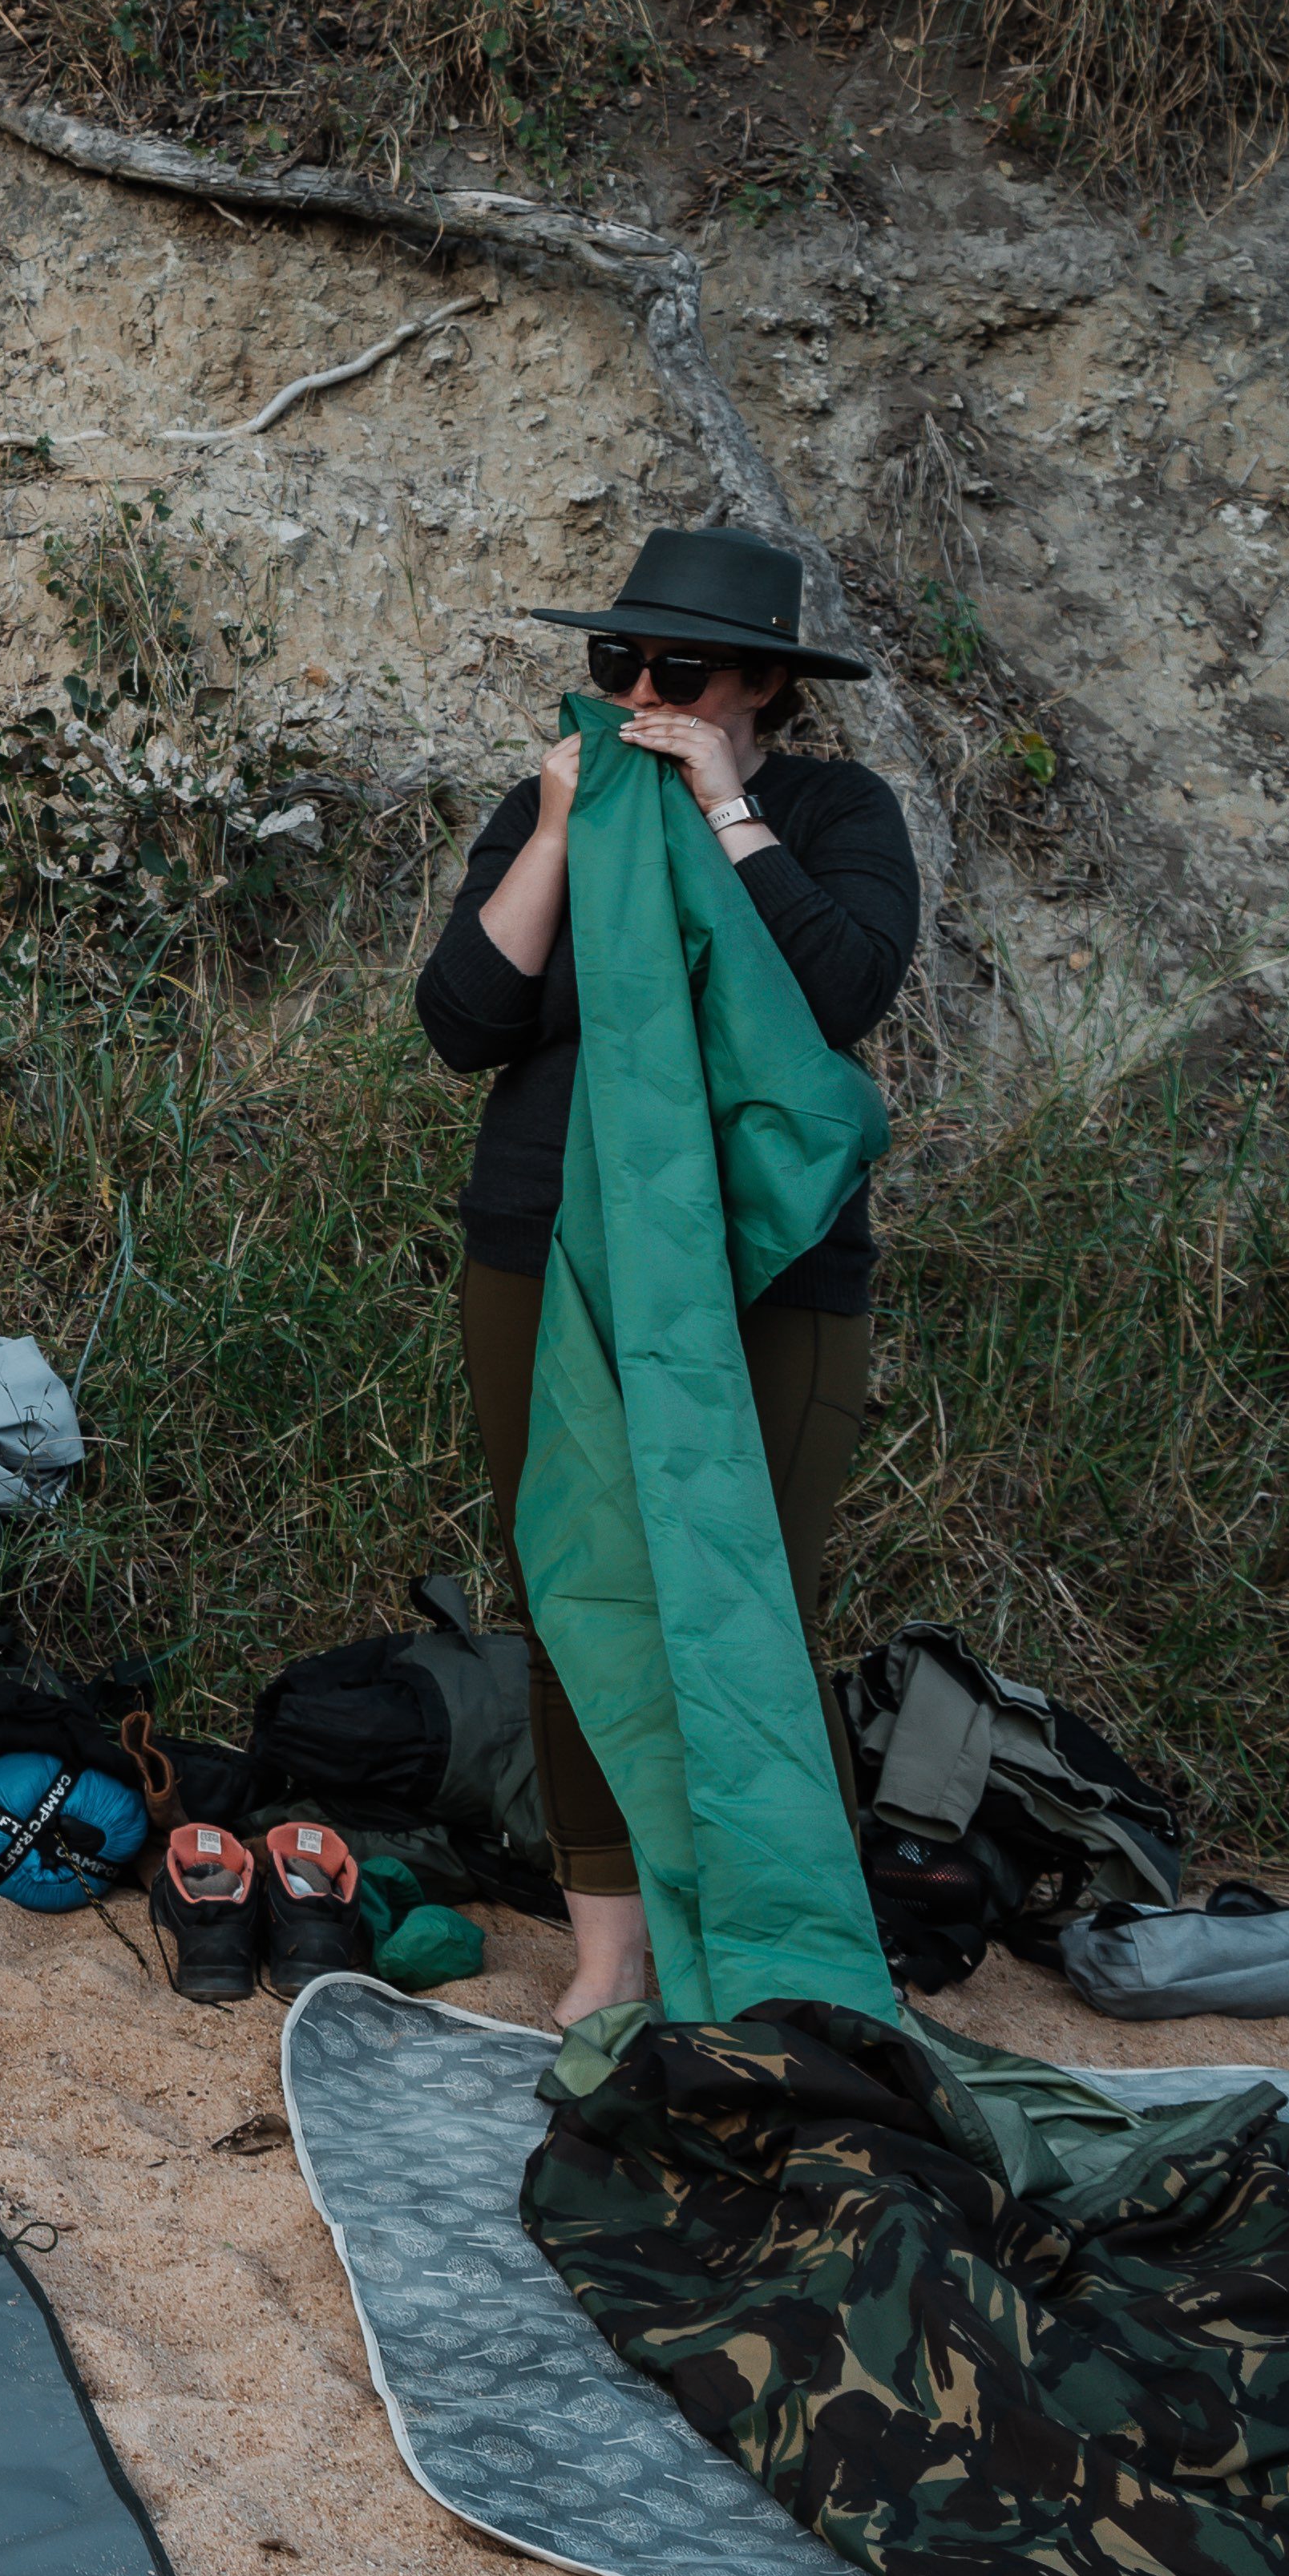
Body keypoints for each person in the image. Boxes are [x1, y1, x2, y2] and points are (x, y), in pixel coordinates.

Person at [416, 527, 920, 2024]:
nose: (641, 689)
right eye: (614, 661)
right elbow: (463, 1020)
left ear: (763, 682)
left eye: (679, 669)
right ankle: (612, 1957)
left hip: (768, 1262)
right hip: (547, 1246)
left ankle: (773, 1946)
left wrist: (726, 807)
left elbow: (840, 992)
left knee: (748, 1595)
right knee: (583, 1584)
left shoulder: (835, 809)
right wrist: (568, 832)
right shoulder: (548, 806)